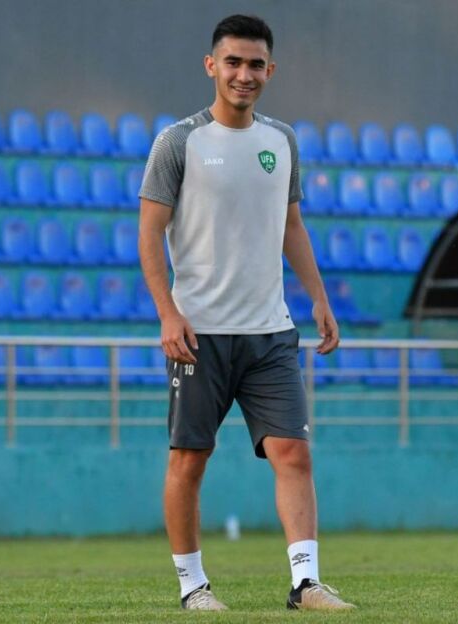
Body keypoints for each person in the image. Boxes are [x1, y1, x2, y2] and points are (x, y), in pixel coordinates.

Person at [137, 13, 354, 612]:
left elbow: (291, 225)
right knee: (189, 459)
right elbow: (149, 234)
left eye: (255, 64)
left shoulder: (281, 141)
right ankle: (193, 587)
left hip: (270, 332)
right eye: (232, 62)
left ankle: (306, 584)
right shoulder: (178, 142)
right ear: (211, 65)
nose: (243, 74)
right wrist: (167, 313)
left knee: (294, 453)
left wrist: (318, 296)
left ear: (270, 71)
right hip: (199, 334)